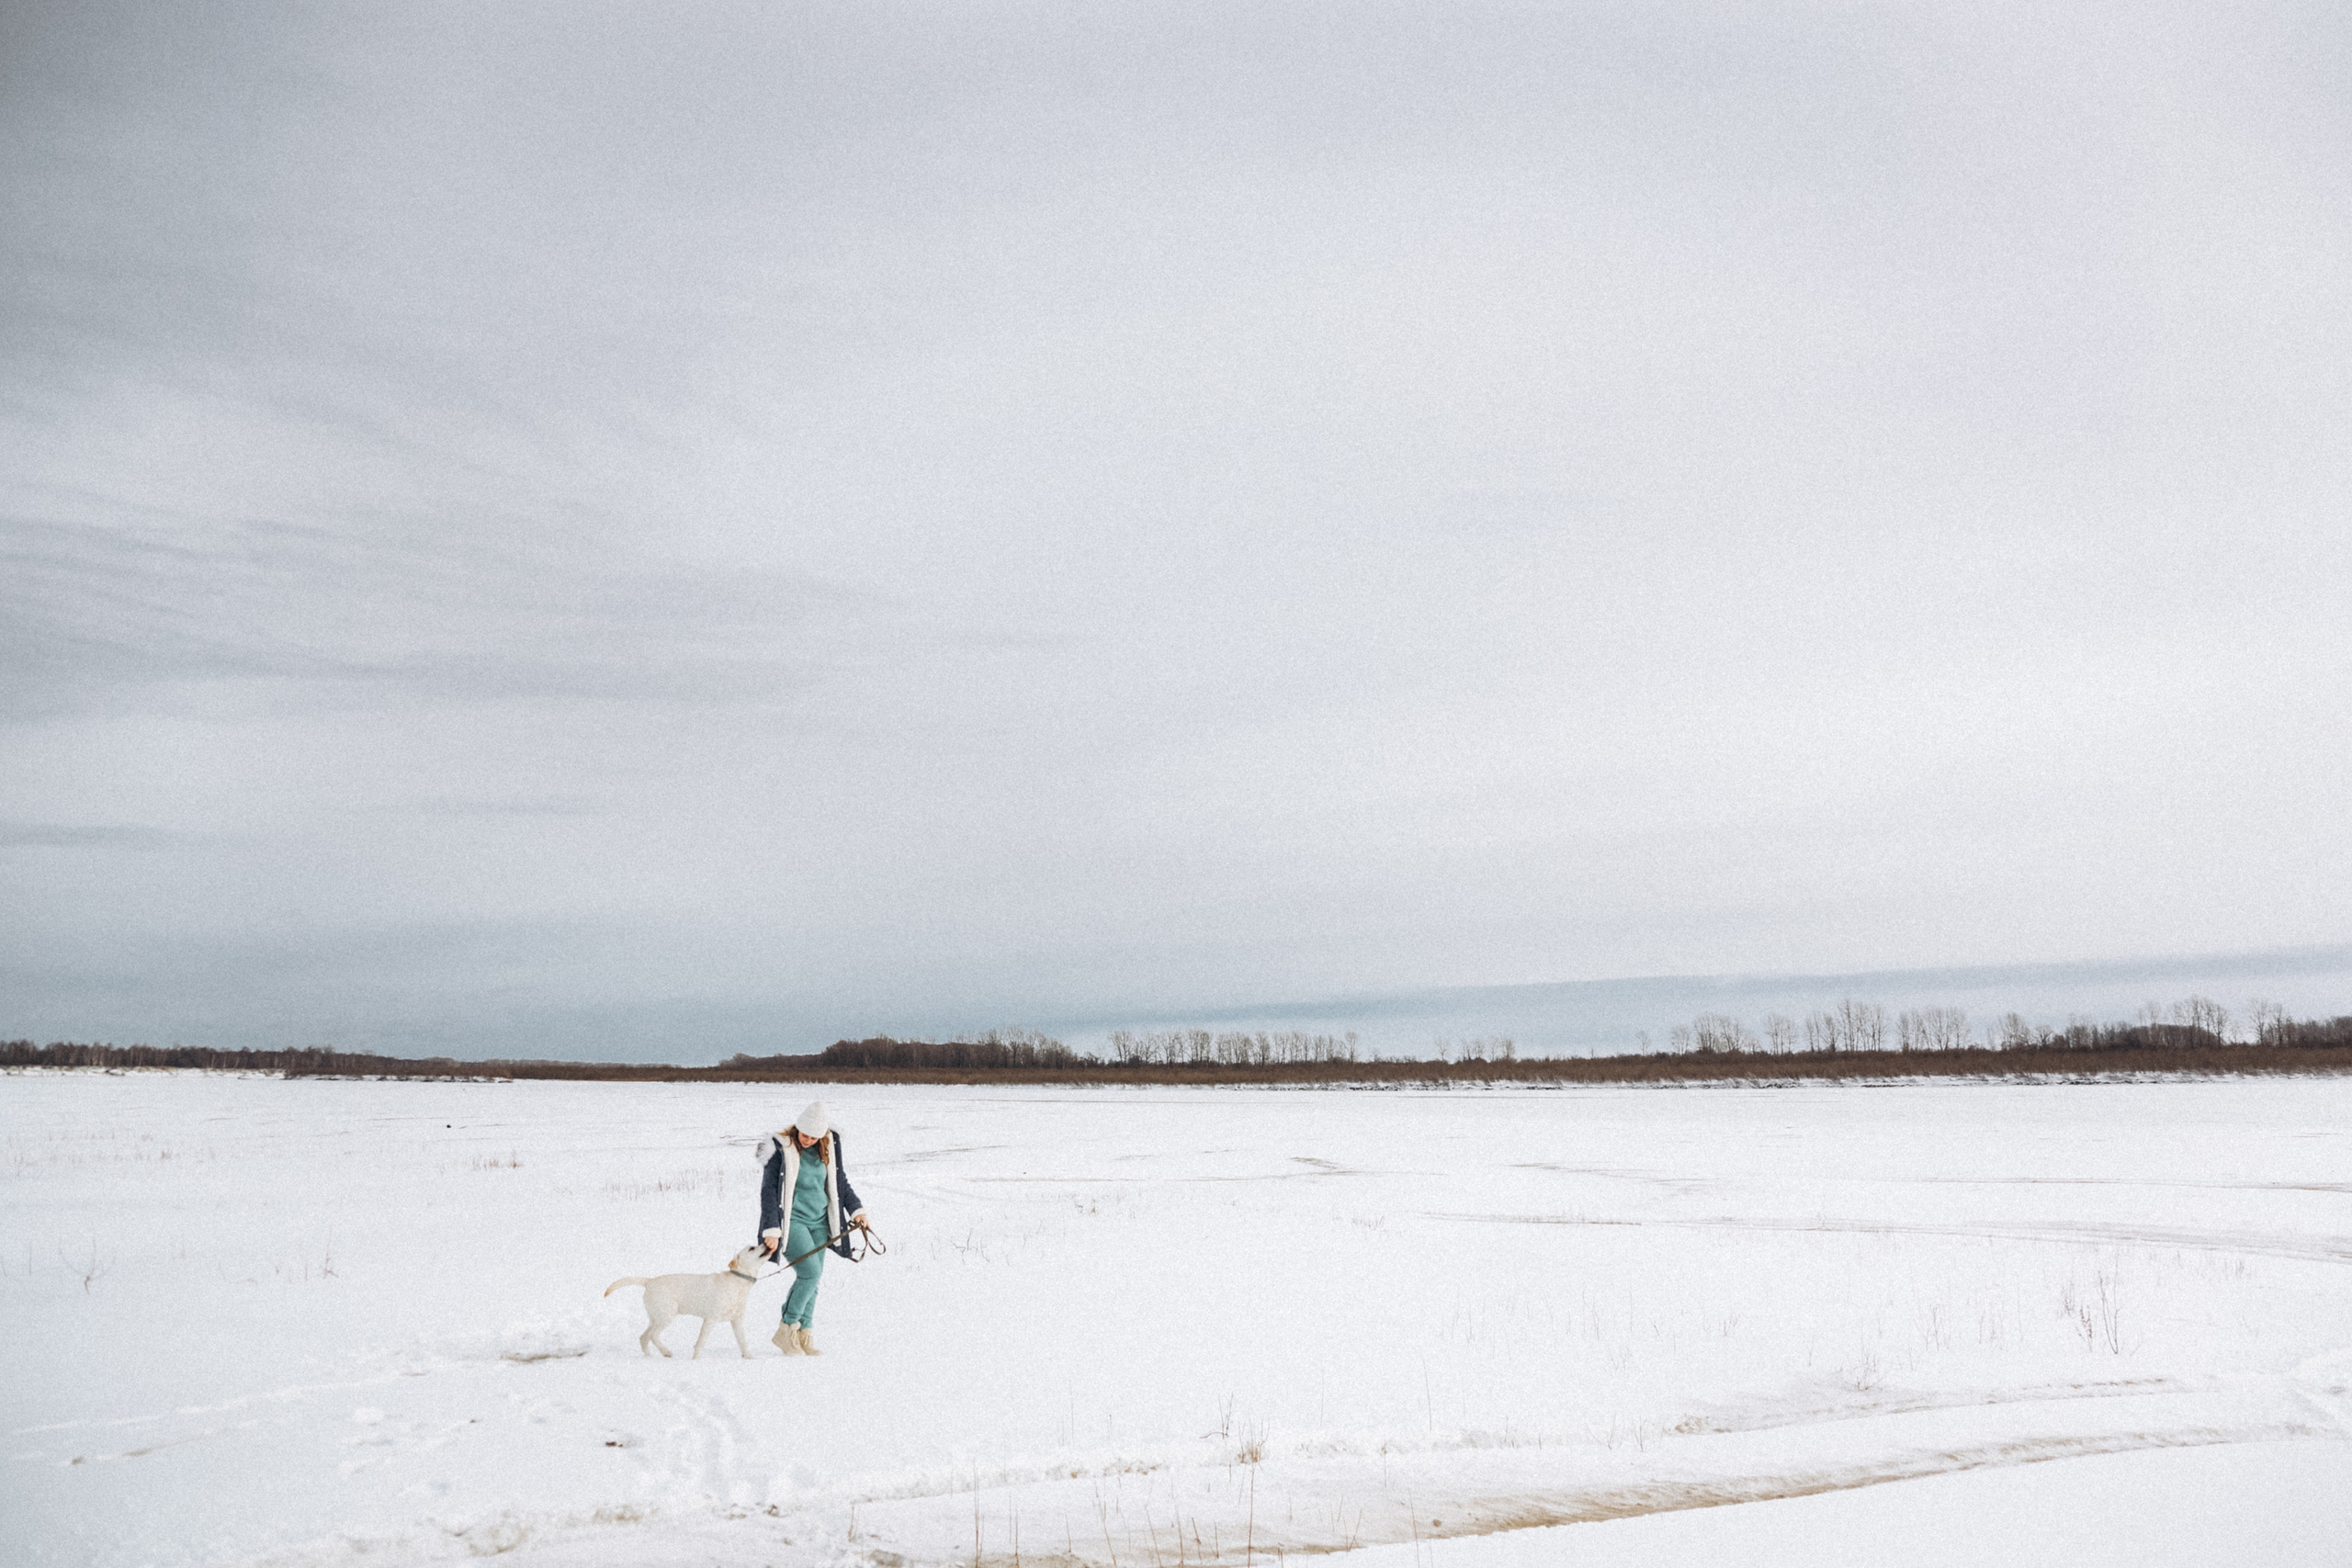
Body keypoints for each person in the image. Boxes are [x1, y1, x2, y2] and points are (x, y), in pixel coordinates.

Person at [754, 1100, 869, 1355]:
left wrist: (857, 1210)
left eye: (814, 1137)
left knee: (814, 1280)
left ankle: (804, 1333)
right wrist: (771, 1229)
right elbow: (769, 1192)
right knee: (809, 1274)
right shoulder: (781, 1149)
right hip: (793, 1222)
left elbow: (840, 1182)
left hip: (820, 1222)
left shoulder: (829, 1145)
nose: (808, 1140)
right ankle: (787, 1329)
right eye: (804, 1135)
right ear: (797, 1128)